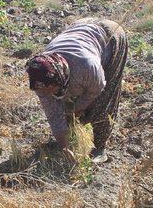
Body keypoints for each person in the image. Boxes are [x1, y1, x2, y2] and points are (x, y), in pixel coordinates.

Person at [26, 18, 128, 163]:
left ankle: (99, 148)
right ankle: (72, 139)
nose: (48, 93)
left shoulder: (87, 66)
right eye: (44, 90)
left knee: (103, 102)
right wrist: (64, 147)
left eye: (51, 88)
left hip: (110, 37)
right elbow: (54, 114)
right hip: (80, 29)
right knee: (65, 104)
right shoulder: (40, 79)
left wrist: (78, 108)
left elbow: (97, 89)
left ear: (60, 77)